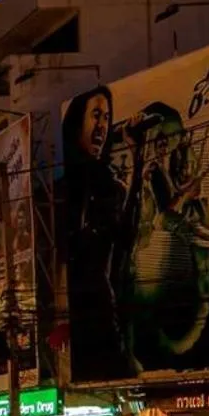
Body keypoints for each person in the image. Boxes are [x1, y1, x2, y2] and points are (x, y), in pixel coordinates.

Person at [58, 86, 144, 379]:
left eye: (107, 117)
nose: (102, 126)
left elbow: (127, 240)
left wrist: (138, 157)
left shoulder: (111, 188)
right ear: (76, 123)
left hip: (104, 313)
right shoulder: (58, 193)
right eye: (95, 115)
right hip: (74, 321)